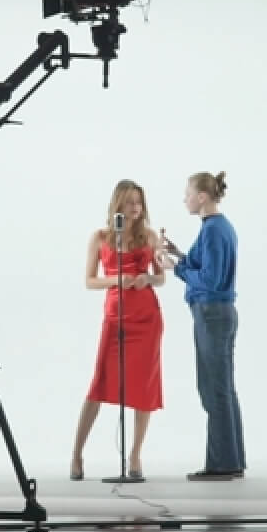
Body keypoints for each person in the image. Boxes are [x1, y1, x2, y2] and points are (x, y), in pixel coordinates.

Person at [70, 179, 165, 481]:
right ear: (117, 205)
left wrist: (146, 279)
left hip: (146, 318)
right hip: (115, 317)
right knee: (99, 384)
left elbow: (160, 278)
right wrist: (117, 280)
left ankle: (135, 456)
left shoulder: (149, 236)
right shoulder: (99, 237)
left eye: (139, 202)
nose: (135, 208)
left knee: (142, 388)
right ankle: (76, 454)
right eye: (129, 202)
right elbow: (89, 281)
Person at [159, 171, 246, 480]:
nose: (185, 198)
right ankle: (232, 460)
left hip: (211, 312)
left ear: (202, 197)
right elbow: (208, 268)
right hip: (219, 312)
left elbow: (209, 279)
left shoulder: (212, 230)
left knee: (213, 388)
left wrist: (176, 268)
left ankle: (222, 464)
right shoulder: (218, 228)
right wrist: (177, 254)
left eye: (188, 193)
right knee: (223, 387)